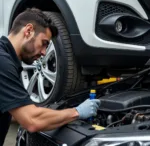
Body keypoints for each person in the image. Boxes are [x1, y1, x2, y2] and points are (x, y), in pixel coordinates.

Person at [0, 8, 100, 145]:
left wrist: (54, 113)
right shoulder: (2, 62)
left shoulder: (7, 60)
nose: (44, 52)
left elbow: (13, 113)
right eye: (44, 43)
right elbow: (32, 121)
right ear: (28, 31)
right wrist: (76, 112)